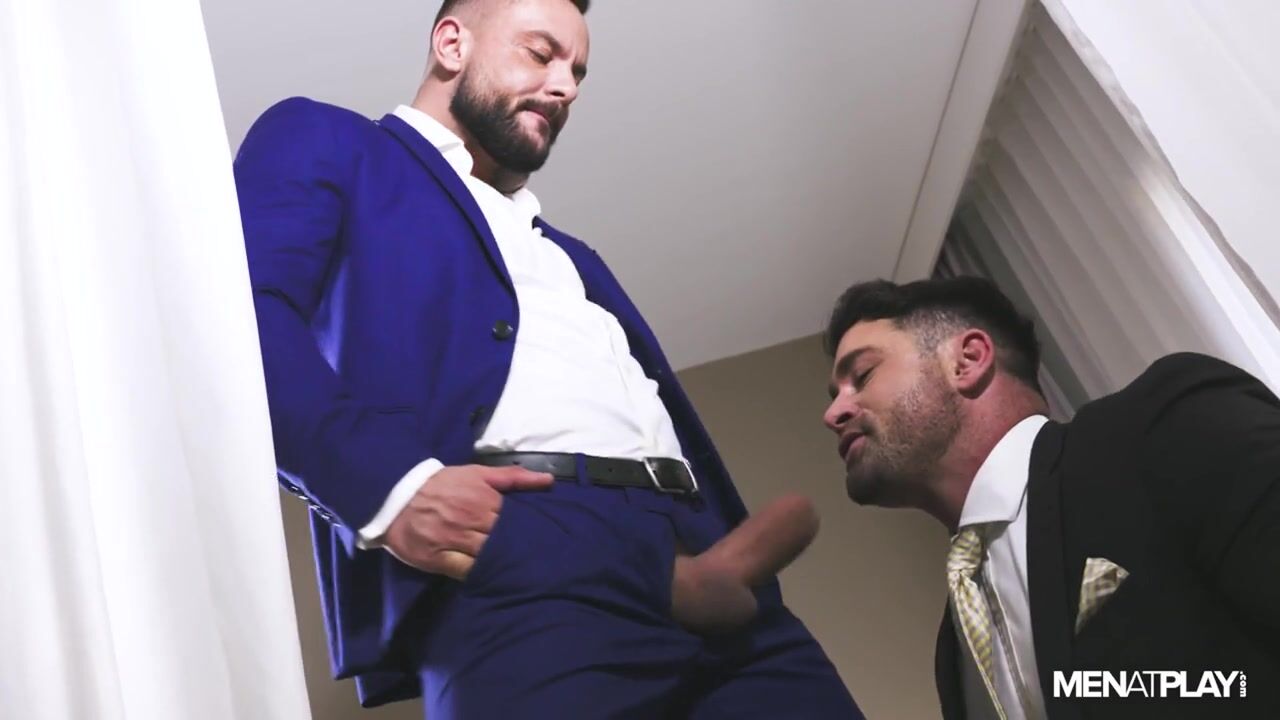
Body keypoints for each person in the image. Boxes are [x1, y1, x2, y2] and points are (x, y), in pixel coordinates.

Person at [234, 0, 861, 716]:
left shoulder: (572, 257)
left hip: (711, 573)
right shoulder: (329, 141)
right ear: (451, 44)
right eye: (540, 53)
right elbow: (244, 319)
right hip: (517, 561)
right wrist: (390, 489)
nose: (565, 86)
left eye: (577, 73)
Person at [820, 276, 1280, 719]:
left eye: (862, 374)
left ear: (968, 360)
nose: (833, 413)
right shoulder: (954, 656)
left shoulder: (1160, 426)